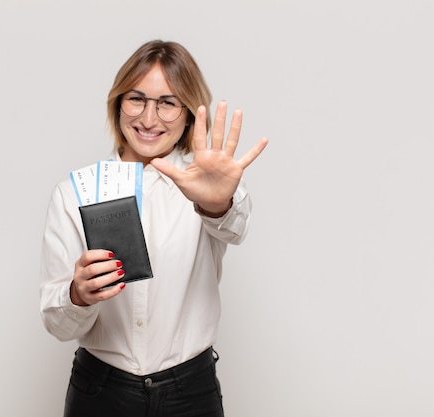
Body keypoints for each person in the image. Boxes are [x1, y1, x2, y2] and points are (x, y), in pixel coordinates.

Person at [40, 39, 268, 417]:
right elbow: (58, 325)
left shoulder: (206, 183)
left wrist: (216, 203)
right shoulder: (73, 193)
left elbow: (235, 227)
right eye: (137, 99)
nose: (148, 119)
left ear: (188, 115)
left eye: (167, 103)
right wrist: (77, 295)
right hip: (100, 391)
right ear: (118, 104)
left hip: (190, 393)